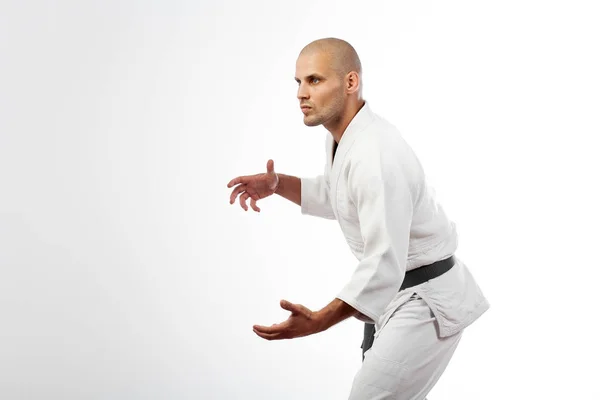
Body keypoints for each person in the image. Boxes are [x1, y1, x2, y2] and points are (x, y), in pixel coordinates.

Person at [226, 37, 489, 400]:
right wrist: (277, 184)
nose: (301, 93)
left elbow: (383, 261)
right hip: (398, 295)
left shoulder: (375, 154)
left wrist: (319, 319)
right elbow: (339, 197)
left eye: (315, 80)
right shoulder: (346, 138)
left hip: (427, 301)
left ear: (351, 82)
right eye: (298, 82)